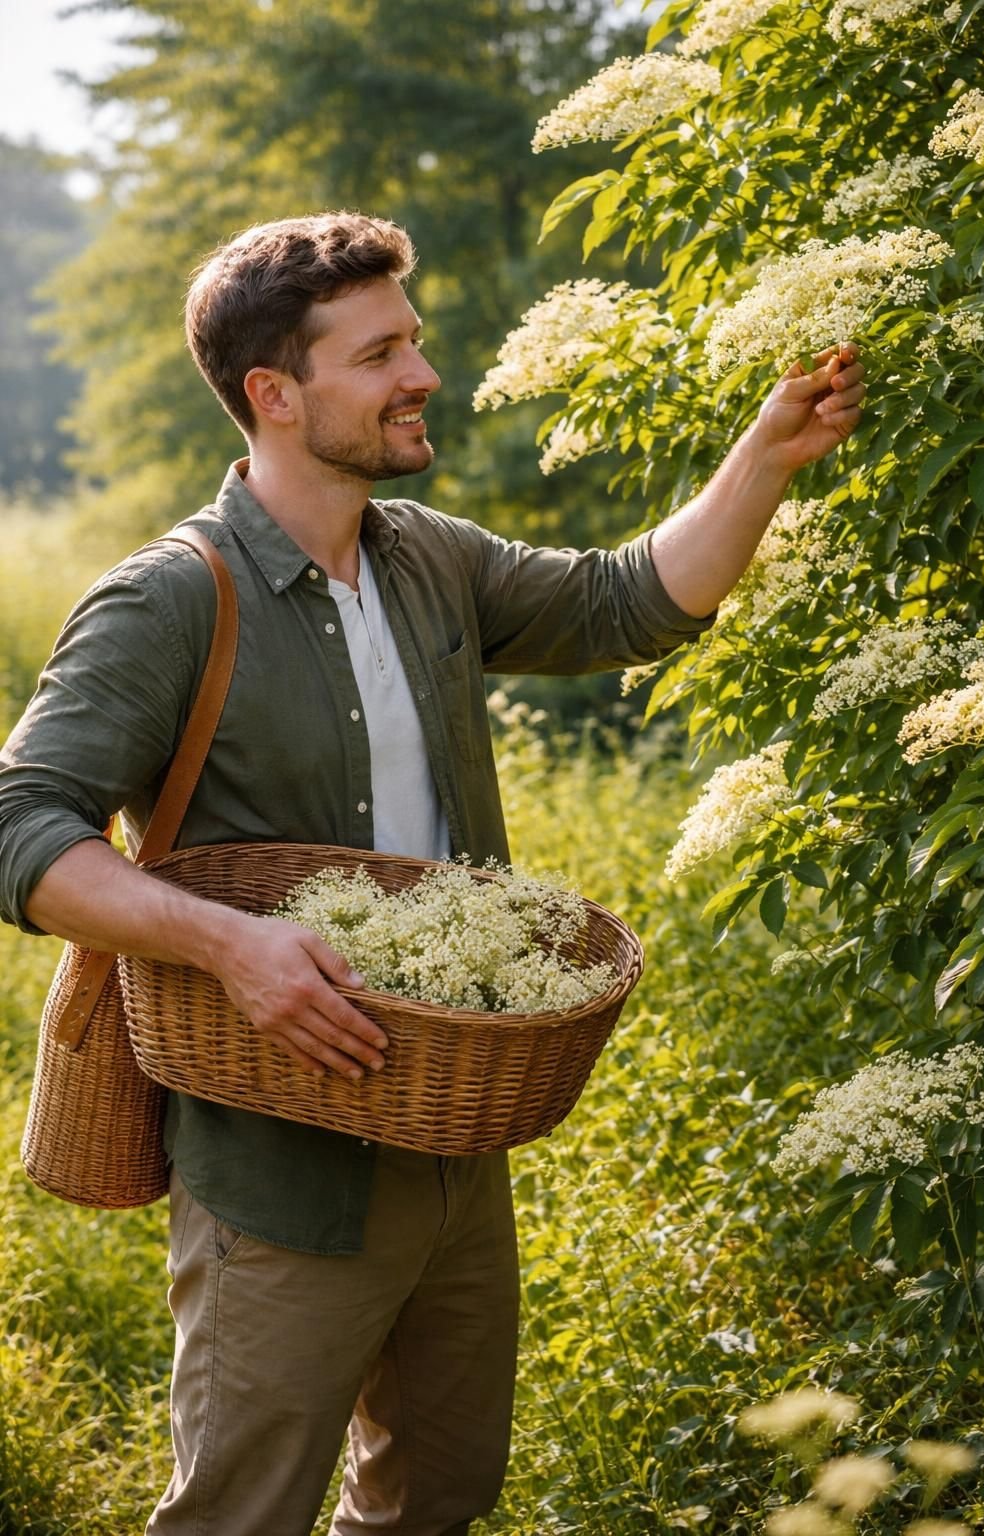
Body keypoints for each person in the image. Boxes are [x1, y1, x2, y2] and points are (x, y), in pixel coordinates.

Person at [0, 210, 865, 1536]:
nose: (424, 374)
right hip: (281, 1170)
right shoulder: (170, 598)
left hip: (456, 1145)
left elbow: (625, 601)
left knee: (433, 1501)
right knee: (244, 1512)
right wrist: (236, 948)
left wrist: (767, 453)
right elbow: (23, 826)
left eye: (417, 339)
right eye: (381, 352)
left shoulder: (428, 557)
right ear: (275, 397)